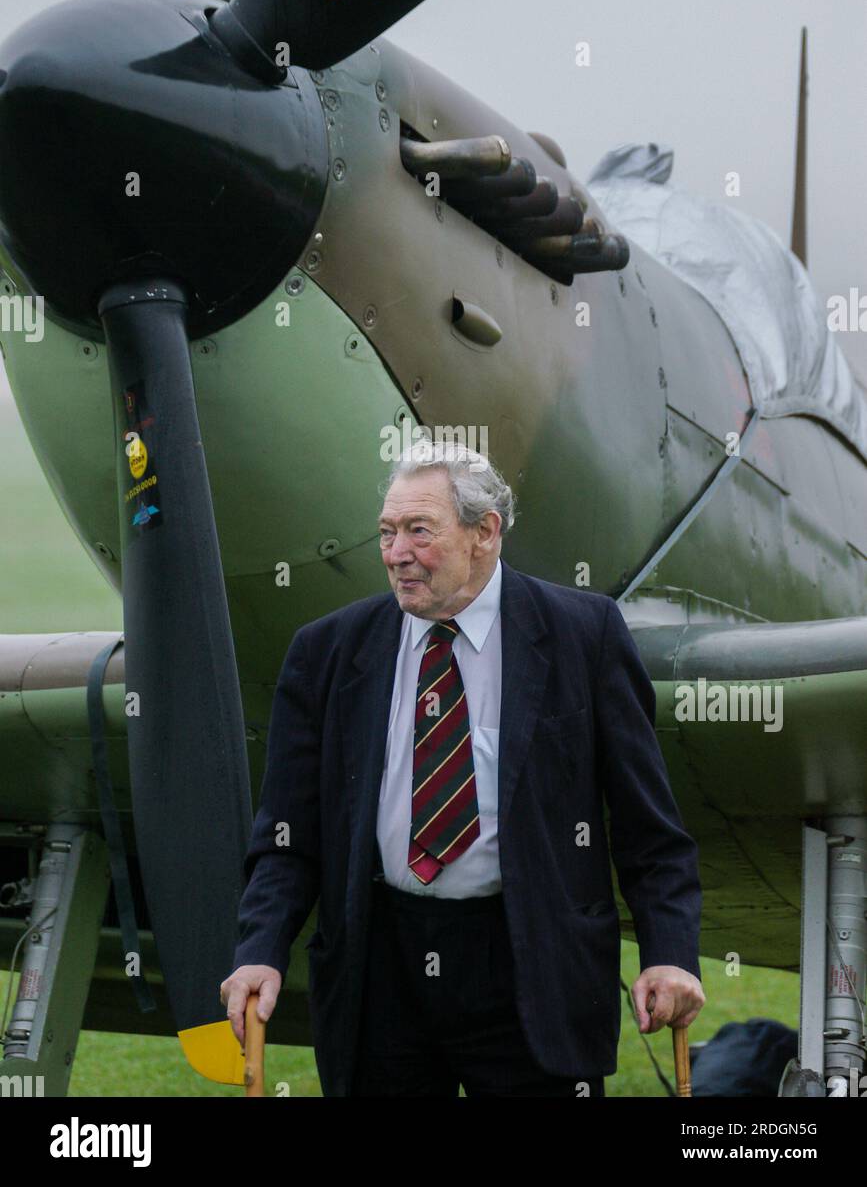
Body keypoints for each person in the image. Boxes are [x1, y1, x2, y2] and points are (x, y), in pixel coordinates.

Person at [220, 441, 704, 1096]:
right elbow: (286, 833)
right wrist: (259, 950)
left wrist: (669, 955)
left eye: (419, 531)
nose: (395, 553)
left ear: (484, 533)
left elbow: (649, 826)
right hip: (380, 970)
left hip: (529, 964)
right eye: (387, 533)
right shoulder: (326, 650)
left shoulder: (582, 636)